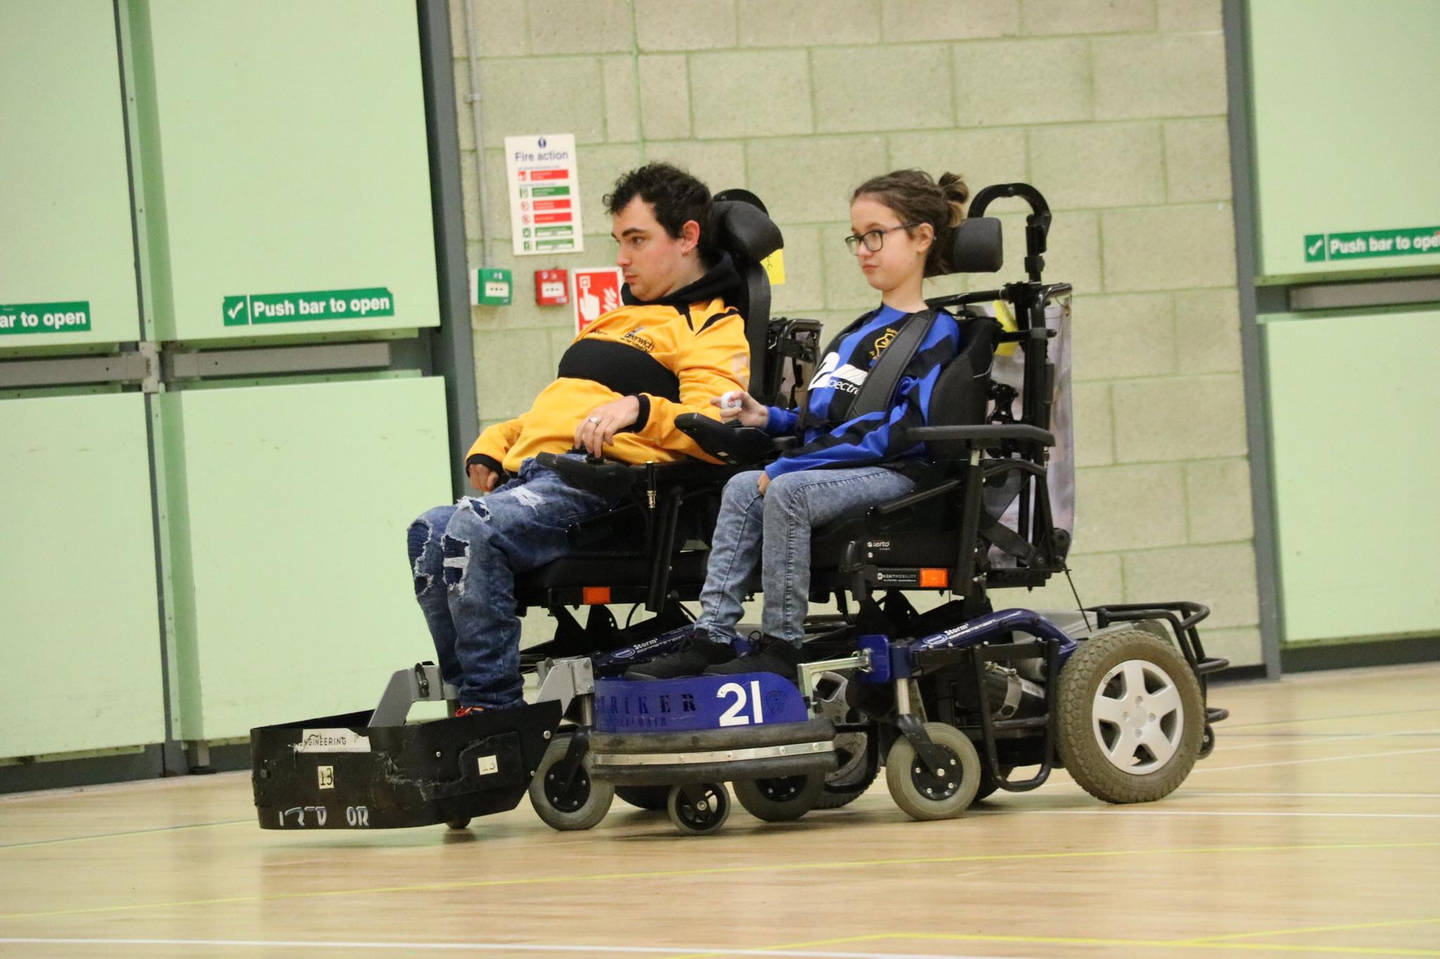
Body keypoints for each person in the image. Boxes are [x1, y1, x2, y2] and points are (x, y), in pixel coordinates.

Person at [409, 162, 752, 713]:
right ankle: (467, 701)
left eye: (637, 240)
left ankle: (494, 709)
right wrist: (497, 440)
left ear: (688, 236)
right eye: (619, 241)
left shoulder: (710, 325)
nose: (622, 257)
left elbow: (715, 428)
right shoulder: (619, 320)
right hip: (542, 477)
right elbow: (558, 408)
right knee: (429, 531)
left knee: (472, 527)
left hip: (610, 494)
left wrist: (641, 409)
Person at [628, 169, 970, 682]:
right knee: (745, 487)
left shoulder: (937, 333)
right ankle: (713, 637)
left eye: (876, 235)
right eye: (858, 238)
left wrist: (795, 462)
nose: (864, 250)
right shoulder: (857, 332)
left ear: (922, 238)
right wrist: (768, 417)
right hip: (846, 465)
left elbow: (898, 431)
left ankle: (783, 645)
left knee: (787, 490)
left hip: (899, 472)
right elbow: (827, 420)